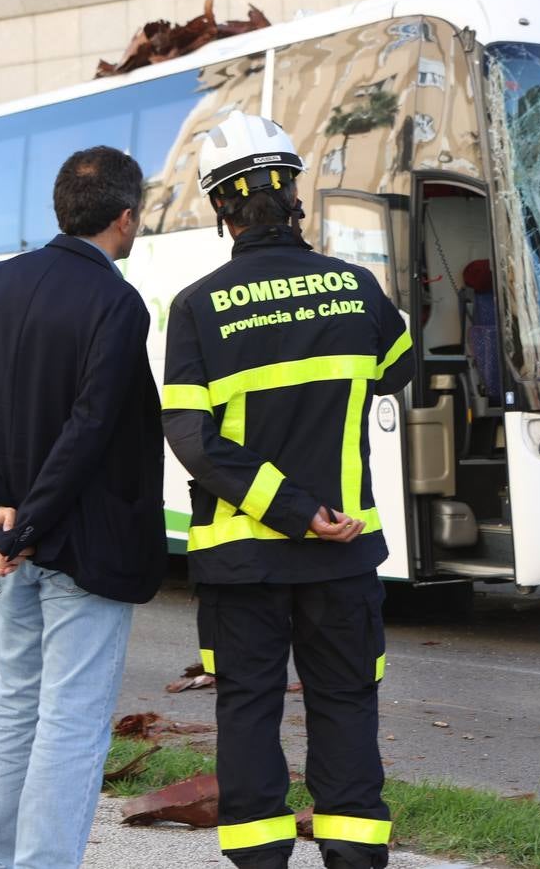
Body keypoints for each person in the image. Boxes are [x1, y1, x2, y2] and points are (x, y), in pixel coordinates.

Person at [161, 111, 414, 869]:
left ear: (221, 209)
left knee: (247, 709)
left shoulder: (198, 307)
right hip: (343, 560)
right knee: (346, 709)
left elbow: (191, 439)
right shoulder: (357, 288)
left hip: (243, 563)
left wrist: (289, 510)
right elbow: (402, 375)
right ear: (294, 194)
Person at [0, 145, 167, 869]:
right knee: (71, 716)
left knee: (17, 705)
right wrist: (26, 526)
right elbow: (91, 427)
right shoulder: (116, 302)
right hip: (79, 545)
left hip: (9, 542)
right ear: (126, 219)